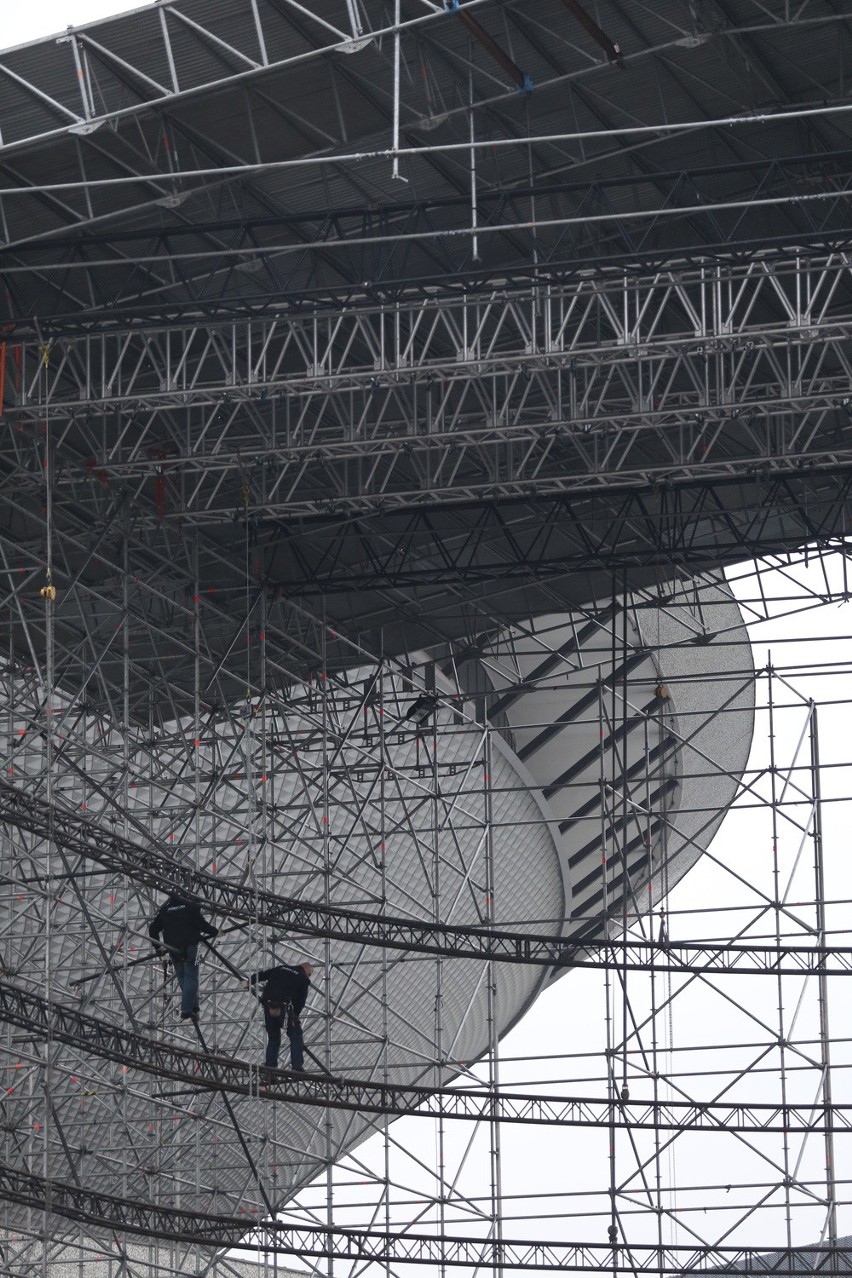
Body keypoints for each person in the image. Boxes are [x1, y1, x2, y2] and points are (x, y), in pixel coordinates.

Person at [149, 893, 218, 1020]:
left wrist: (158, 946)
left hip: (173, 949)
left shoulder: (165, 910)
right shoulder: (190, 907)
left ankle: (193, 1007)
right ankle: (186, 1009)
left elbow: (153, 929)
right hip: (190, 946)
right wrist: (216, 932)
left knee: (183, 977)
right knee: (191, 977)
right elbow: (201, 924)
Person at [248, 961, 313, 1071]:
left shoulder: (280, 968)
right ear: (306, 969)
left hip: (269, 1006)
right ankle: (297, 1066)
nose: (309, 976)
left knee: (274, 1038)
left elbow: (262, 975)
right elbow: (301, 1001)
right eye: (310, 974)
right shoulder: (303, 978)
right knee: (295, 1035)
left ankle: (270, 1067)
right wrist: (295, 1016)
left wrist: (247, 982)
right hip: (284, 1007)